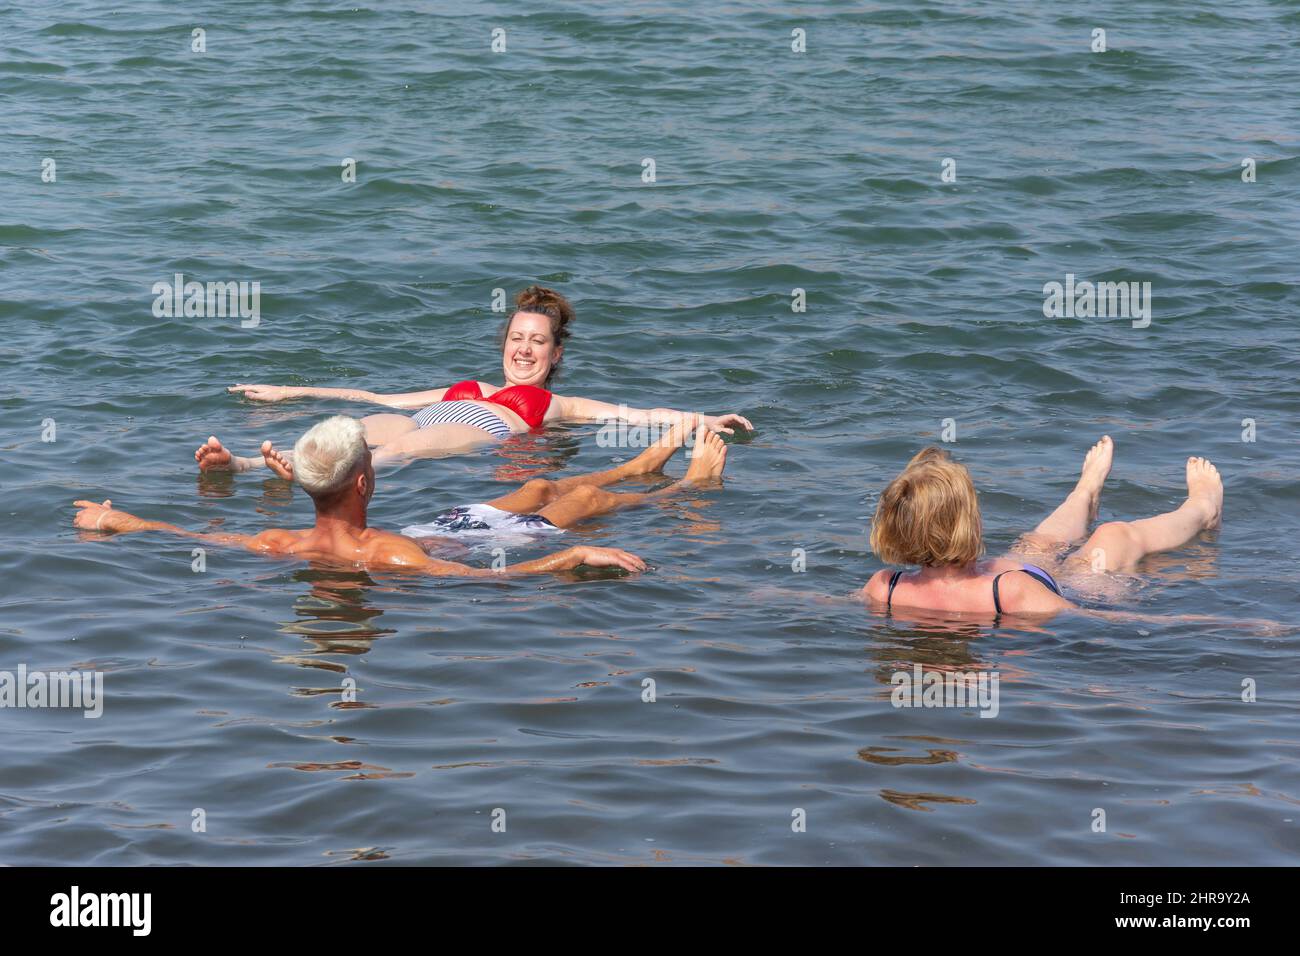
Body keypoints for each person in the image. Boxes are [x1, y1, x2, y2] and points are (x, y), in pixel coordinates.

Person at [197, 285, 754, 474]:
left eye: (539, 342)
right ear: (505, 343)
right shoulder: (461, 384)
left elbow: (634, 416)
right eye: (518, 338)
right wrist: (290, 391)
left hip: (478, 431)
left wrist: (705, 418)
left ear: (556, 353)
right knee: (350, 427)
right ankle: (248, 463)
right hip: (428, 413)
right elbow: (373, 395)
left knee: (409, 447)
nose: (525, 349)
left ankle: (304, 480)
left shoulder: (557, 404)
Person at [75, 416, 648, 579]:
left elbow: (194, 534)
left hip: (436, 528)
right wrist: (570, 558)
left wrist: (119, 519)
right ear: (364, 483)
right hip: (460, 541)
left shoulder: (278, 543)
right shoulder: (389, 557)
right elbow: (493, 582)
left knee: (539, 486)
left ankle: (641, 465)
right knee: (581, 503)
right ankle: (682, 484)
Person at [861, 437, 1225, 619]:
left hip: (999, 574)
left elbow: (824, 604)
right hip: (1074, 588)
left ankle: (1084, 493)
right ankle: (1203, 507)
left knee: (1039, 542)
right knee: (1113, 536)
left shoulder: (885, 587)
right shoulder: (1013, 592)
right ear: (965, 524)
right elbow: (1097, 620)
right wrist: (1227, 626)